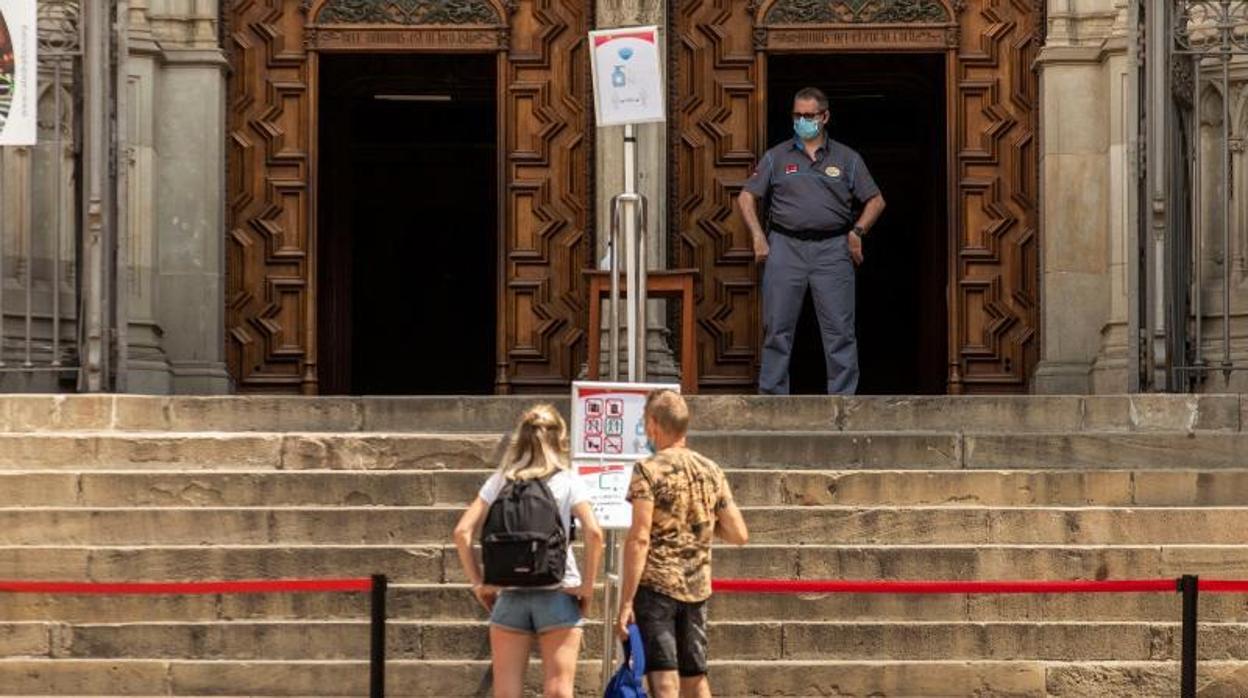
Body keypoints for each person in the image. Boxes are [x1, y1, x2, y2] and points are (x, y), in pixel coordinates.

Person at [737, 86, 887, 395]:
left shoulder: (847, 159)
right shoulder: (776, 157)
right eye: (797, 115)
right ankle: (773, 400)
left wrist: (857, 231)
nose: (802, 120)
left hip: (833, 249)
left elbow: (876, 201)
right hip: (785, 246)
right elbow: (746, 197)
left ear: (825, 116)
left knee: (839, 331)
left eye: (809, 115)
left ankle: (843, 401)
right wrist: (758, 237)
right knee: (777, 328)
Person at [452, 404, 605, 698]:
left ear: (519, 440)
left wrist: (479, 584)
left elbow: (462, 532)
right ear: (559, 440)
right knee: (559, 689)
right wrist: (586, 586)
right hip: (558, 591)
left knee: (507, 692)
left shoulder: (501, 481)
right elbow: (594, 533)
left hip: (510, 595)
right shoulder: (568, 480)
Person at [614, 389, 749, 698]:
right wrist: (699, 522)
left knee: (663, 682)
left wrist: (626, 602)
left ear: (653, 424)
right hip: (697, 588)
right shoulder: (711, 470)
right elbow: (739, 533)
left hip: (656, 587)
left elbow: (639, 537)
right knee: (695, 678)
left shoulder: (647, 470)